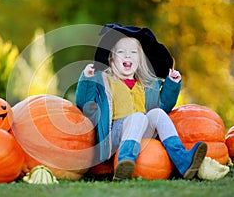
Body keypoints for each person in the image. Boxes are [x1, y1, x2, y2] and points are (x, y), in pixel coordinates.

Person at [75, 23, 207, 181]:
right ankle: (124, 162)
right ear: (111, 58)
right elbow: (85, 103)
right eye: (121, 52)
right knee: (138, 117)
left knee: (156, 113)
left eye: (133, 52)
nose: (128, 56)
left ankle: (183, 161)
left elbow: (163, 106)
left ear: (140, 59)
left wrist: (171, 84)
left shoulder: (147, 86)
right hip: (114, 137)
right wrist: (88, 78)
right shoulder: (104, 82)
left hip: (141, 132)